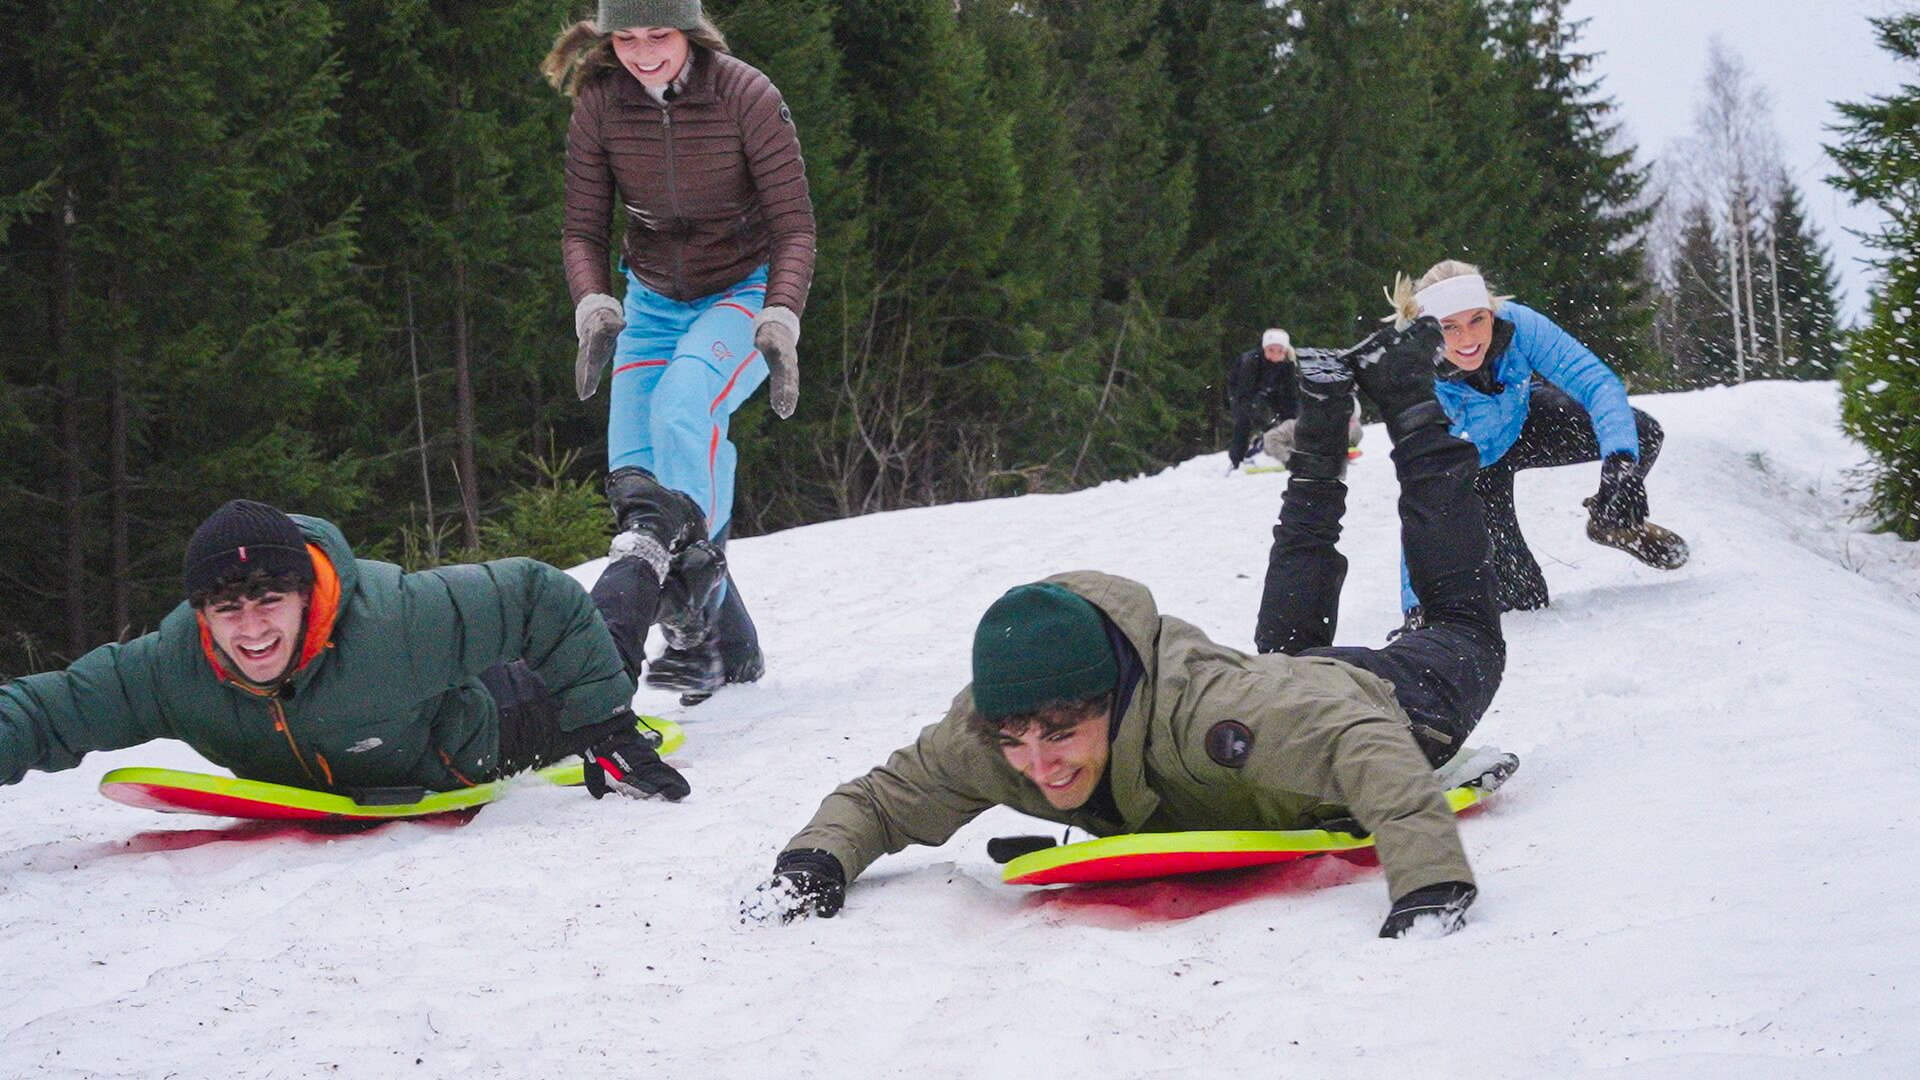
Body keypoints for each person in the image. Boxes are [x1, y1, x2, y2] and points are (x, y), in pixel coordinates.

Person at [748, 320, 1517, 938]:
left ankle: (1411, 399)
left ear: (1111, 698)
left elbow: (1360, 739)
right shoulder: (996, 735)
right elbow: (884, 798)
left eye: (1059, 736)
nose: (1039, 766)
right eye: (1017, 742)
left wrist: (1427, 882)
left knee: (1460, 620)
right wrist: (814, 861)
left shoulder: (1211, 720)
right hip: (1283, 703)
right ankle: (1318, 435)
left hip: (1391, 701)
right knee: (1284, 663)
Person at [0, 500, 688, 802]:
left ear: (306, 597)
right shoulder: (173, 670)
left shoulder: (389, 622)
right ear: (202, 614)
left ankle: (649, 539)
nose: (253, 629)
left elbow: (539, 596)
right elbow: (46, 710)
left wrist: (603, 727)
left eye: (270, 599)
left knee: (608, 650)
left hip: (495, 724)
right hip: (394, 731)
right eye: (227, 608)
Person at [543, 0, 816, 701]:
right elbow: (582, 227)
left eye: (657, 35)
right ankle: (733, 648)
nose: (642, 52)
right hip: (653, 299)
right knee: (637, 476)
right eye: (626, 38)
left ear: (688, 31)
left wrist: (780, 316)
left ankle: (690, 633)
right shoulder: (601, 104)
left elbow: (794, 227)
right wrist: (594, 302)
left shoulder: (745, 95)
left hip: (744, 293)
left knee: (684, 405)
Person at [1390, 261, 1687, 617]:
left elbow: (1596, 382)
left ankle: (1613, 521)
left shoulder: (1517, 324)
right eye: (1449, 327)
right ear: (1428, 328)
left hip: (1525, 424)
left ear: (1491, 311)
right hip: (1474, 468)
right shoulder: (1415, 378)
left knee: (1640, 434)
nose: (1467, 339)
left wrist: (1621, 464)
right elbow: (1422, 500)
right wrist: (1415, 607)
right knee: (1525, 600)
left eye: (1477, 320)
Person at [1225, 329, 1363, 470]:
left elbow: (1290, 394)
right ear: (1264, 348)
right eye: (1271, 350)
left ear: (1285, 351)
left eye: (1280, 351)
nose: (1275, 355)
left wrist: (1293, 418)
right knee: (1243, 420)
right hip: (1242, 390)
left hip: (1271, 389)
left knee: (1289, 413)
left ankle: (1289, 447)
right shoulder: (1251, 362)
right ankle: (1237, 461)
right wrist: (1263, 423)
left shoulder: (1287, 363)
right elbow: (1244, 396)